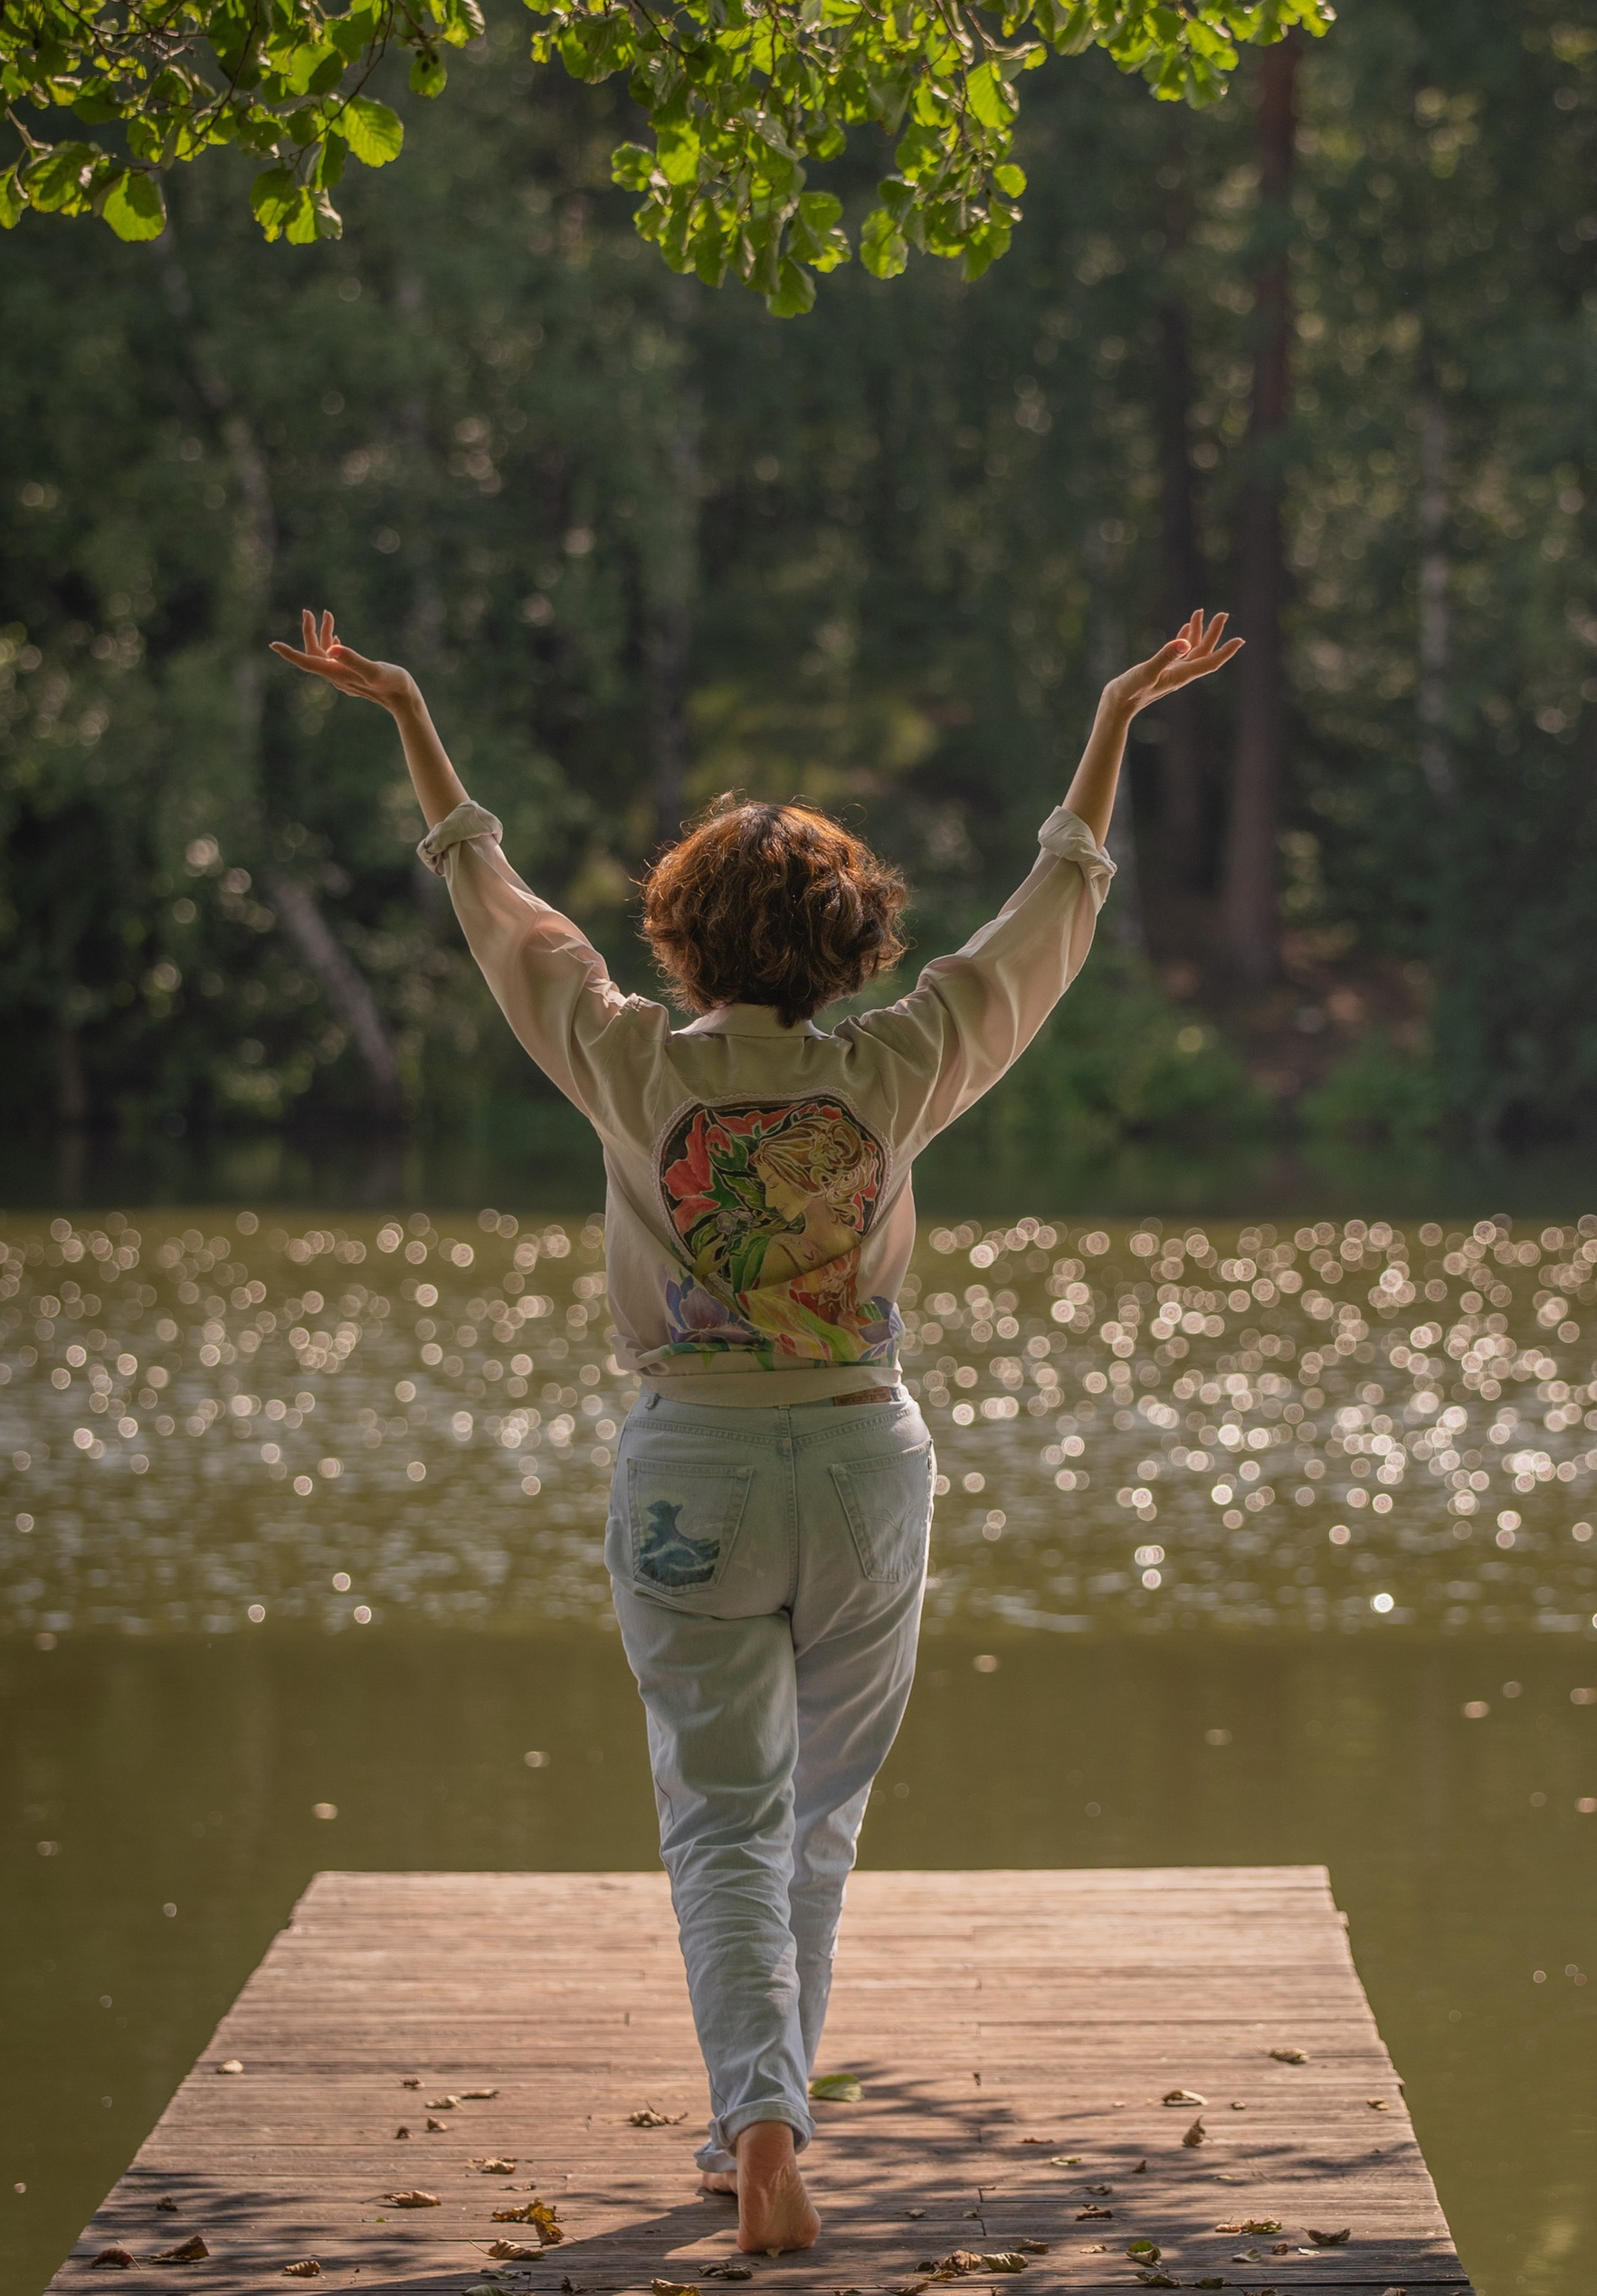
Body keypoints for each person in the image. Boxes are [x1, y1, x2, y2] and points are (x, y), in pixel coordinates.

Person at [270, 604, 1241, 2254]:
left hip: (693, 1469)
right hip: (865, 1459)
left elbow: (497, 912)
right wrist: (1115, 718)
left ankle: (762, 2121)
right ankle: (756, 2121)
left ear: (681, 941)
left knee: (720, 1812)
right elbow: (1051, 914)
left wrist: (414, 719)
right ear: (856, 946)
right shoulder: (902, 1063)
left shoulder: (626, 1058)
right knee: (817, 1813)